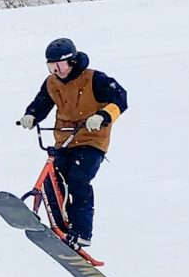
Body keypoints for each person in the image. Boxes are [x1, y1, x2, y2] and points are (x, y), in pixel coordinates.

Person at [18, 38, 128, 248]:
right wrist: (31, 115)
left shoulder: (94, 78)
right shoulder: (52, 82)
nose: (55, 70)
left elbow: (121, 99)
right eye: (51, 66)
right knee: (53, 179)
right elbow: (42, 102)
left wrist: (103, 115)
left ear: (72, 62)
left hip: (91, 139)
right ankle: (61, 227)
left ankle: (82, 232)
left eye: (58, 65)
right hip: (65, 139)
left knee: (78, 179)